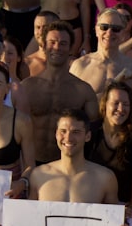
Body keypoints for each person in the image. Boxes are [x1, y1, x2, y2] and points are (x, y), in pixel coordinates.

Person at [21, 21, 100, 164]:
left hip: (65, 166)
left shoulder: (83, 91)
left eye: (63, 43)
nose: (57, 47)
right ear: (44, 46)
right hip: (29, 163)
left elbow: (94, 133)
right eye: (52, 42)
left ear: (70, 48)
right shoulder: (27, 87)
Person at [86, 81, 132, 208]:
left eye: (126, 104)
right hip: (96, 201)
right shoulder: (90, 133)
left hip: (129, 201)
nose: (121, 109)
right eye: (115, 103)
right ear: (104, 104)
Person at [70, 8, 132, 96]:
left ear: (123, 33)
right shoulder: (80, 65)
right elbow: (71, 103)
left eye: (116, 29)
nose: (109, 32)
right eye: (104, 27)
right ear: (96, 30)